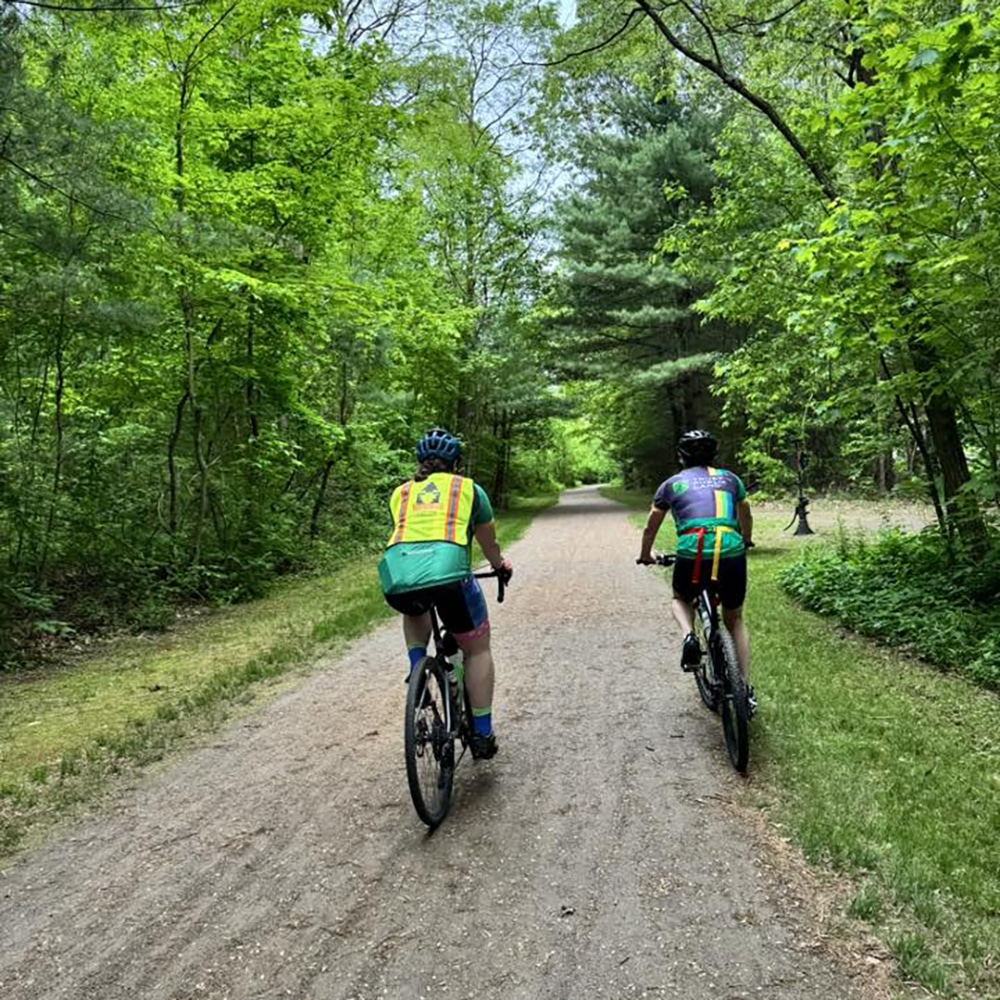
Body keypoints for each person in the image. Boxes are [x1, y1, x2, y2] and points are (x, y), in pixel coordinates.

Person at [378, 428, 513, 759]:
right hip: (451, 576)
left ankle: (417, 667)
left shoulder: (401, 493)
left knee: (415, 602)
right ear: (457, 463)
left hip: (400, 575)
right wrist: (499, 566)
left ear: (420, 462)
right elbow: (488, 543)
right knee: (478, 650)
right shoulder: (468, 489)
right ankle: (482, 734)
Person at [637, 430, 755, 710]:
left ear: (681, 457)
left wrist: (645, 555)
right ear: (714, 455)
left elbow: (651, 524)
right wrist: (746, 539)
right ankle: (744, 690)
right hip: (730, 548)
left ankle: (689, 635)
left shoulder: (672, 484)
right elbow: (745, 512)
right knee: (735, 618)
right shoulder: (731, 479)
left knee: (680, 598)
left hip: (693, 549)